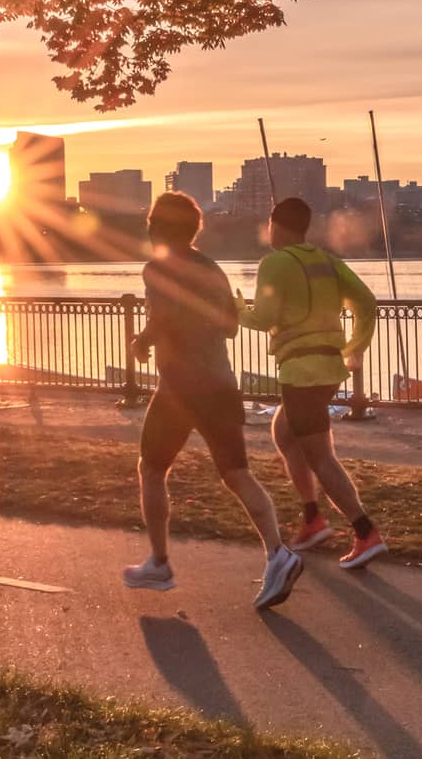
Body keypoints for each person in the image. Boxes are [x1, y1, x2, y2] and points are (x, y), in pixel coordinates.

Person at [123, 192, 302, 609]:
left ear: (156, 229)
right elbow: (229, 328)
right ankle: (279, 554)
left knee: (150, 468)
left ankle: (160, 563)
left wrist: (144, 341)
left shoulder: (156, 269)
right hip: (222, 384)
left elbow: (165, 313)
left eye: (151, 224)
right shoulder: (214, 270)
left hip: (181, 388)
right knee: (236, 472)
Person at [237, 197, 387, 569]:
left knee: (320, 456)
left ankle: (365, 531)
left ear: (274, 225)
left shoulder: (274, 263)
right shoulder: (326, 260)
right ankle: (312, 520)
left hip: (301, 372)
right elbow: (366, 303)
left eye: (269, 224)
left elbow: (263, 317)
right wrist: (355, 347)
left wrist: (236, 309)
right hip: (328, 369)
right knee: (284, 433)